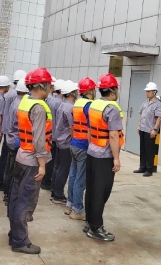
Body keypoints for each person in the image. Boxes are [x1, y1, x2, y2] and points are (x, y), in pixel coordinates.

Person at [8, 68, 53, 254]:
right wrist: (42, 165)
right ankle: (20, 240)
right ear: (41, 86)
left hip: (21, 155)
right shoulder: (39, 108)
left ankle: (14, 234)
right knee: (25, 201)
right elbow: (39, 140)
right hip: (32, 160)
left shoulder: (25, 102)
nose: (50, 88)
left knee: (15, 197)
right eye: (48, 85)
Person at [84, 73, 124, 242]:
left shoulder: (94, 105)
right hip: (104, 156)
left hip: (92, 152)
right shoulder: (112, 108)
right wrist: (116, 158)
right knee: (101, 192)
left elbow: (89, 129)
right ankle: (96, 227)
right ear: (113, 91)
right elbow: (113, 135)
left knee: (91, 189)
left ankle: (89, 221)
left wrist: (91, 146)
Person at [65, 77, 96, 221]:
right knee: (80, 179)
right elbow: (91, 127)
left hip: (74, 142)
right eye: (93, 89)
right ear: (90, 90)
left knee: (73, 175)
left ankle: (70, 204)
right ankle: (77, 209)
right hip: (83, 145)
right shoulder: (89, 105)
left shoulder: (77, 103)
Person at [0, 70, 26, 191]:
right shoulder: (15, 95)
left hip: (8, 129)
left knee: (6, 158)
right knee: (7, 160)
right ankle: (2, 182)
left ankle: (0, 181)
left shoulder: (12, 93)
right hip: (11, 131)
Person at [50, 80, 77, 205]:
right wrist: (75, 140)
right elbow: (72, 127)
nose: (77, 93)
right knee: (63, 169)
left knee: (57, 166)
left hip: (58, 139)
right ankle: (58, 194)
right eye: (75, 91)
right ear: (71, 93)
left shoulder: (61, 104)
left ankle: (54, 191)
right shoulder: (70, 108)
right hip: (66, 141)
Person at [3, 78, 28, 204]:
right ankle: (9, 195)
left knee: (10, 168)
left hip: (11, 138)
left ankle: (7, 192)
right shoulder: (21, 105)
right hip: (16, 140)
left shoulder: (15, 102)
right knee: (14, 171)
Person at [134, 82, 161, 177]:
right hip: (143, 129)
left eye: (148, 91)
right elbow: (141, 114)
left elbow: (159, 118)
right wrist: (139, 126)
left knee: (149, 150)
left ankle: (149, 169)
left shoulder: (158, 105)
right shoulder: (145, 103)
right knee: (142, 149)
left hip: (150, 130)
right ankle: (142, 167)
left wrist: (155, 129)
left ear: (154, 92)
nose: (146, 93)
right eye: (146, 91)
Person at [41, 78, 62, 191]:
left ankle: (45, 179)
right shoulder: (58, 102)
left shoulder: (47, 100)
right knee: (52, 160)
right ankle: (47, 181)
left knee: (47, 158)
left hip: (47, 132)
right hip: (54, 134)